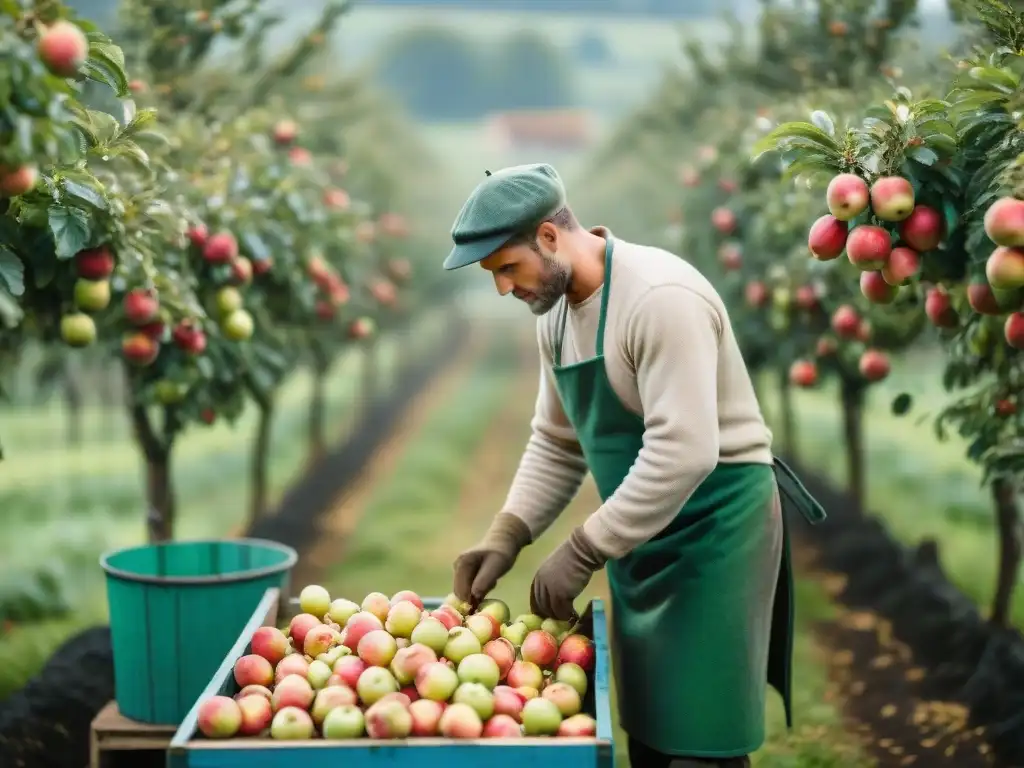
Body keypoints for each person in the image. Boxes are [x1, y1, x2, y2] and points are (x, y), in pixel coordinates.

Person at [443, 163, 826, 767]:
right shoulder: (559, 318)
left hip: (716, 529)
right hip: (642, 529)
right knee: (650, 725)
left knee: (702, 739)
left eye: (506, 268)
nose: (502, 288)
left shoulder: (658, 298)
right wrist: (508, 533)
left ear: (549, 237)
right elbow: (557, 440)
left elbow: (685, 450)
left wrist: (584, 548)